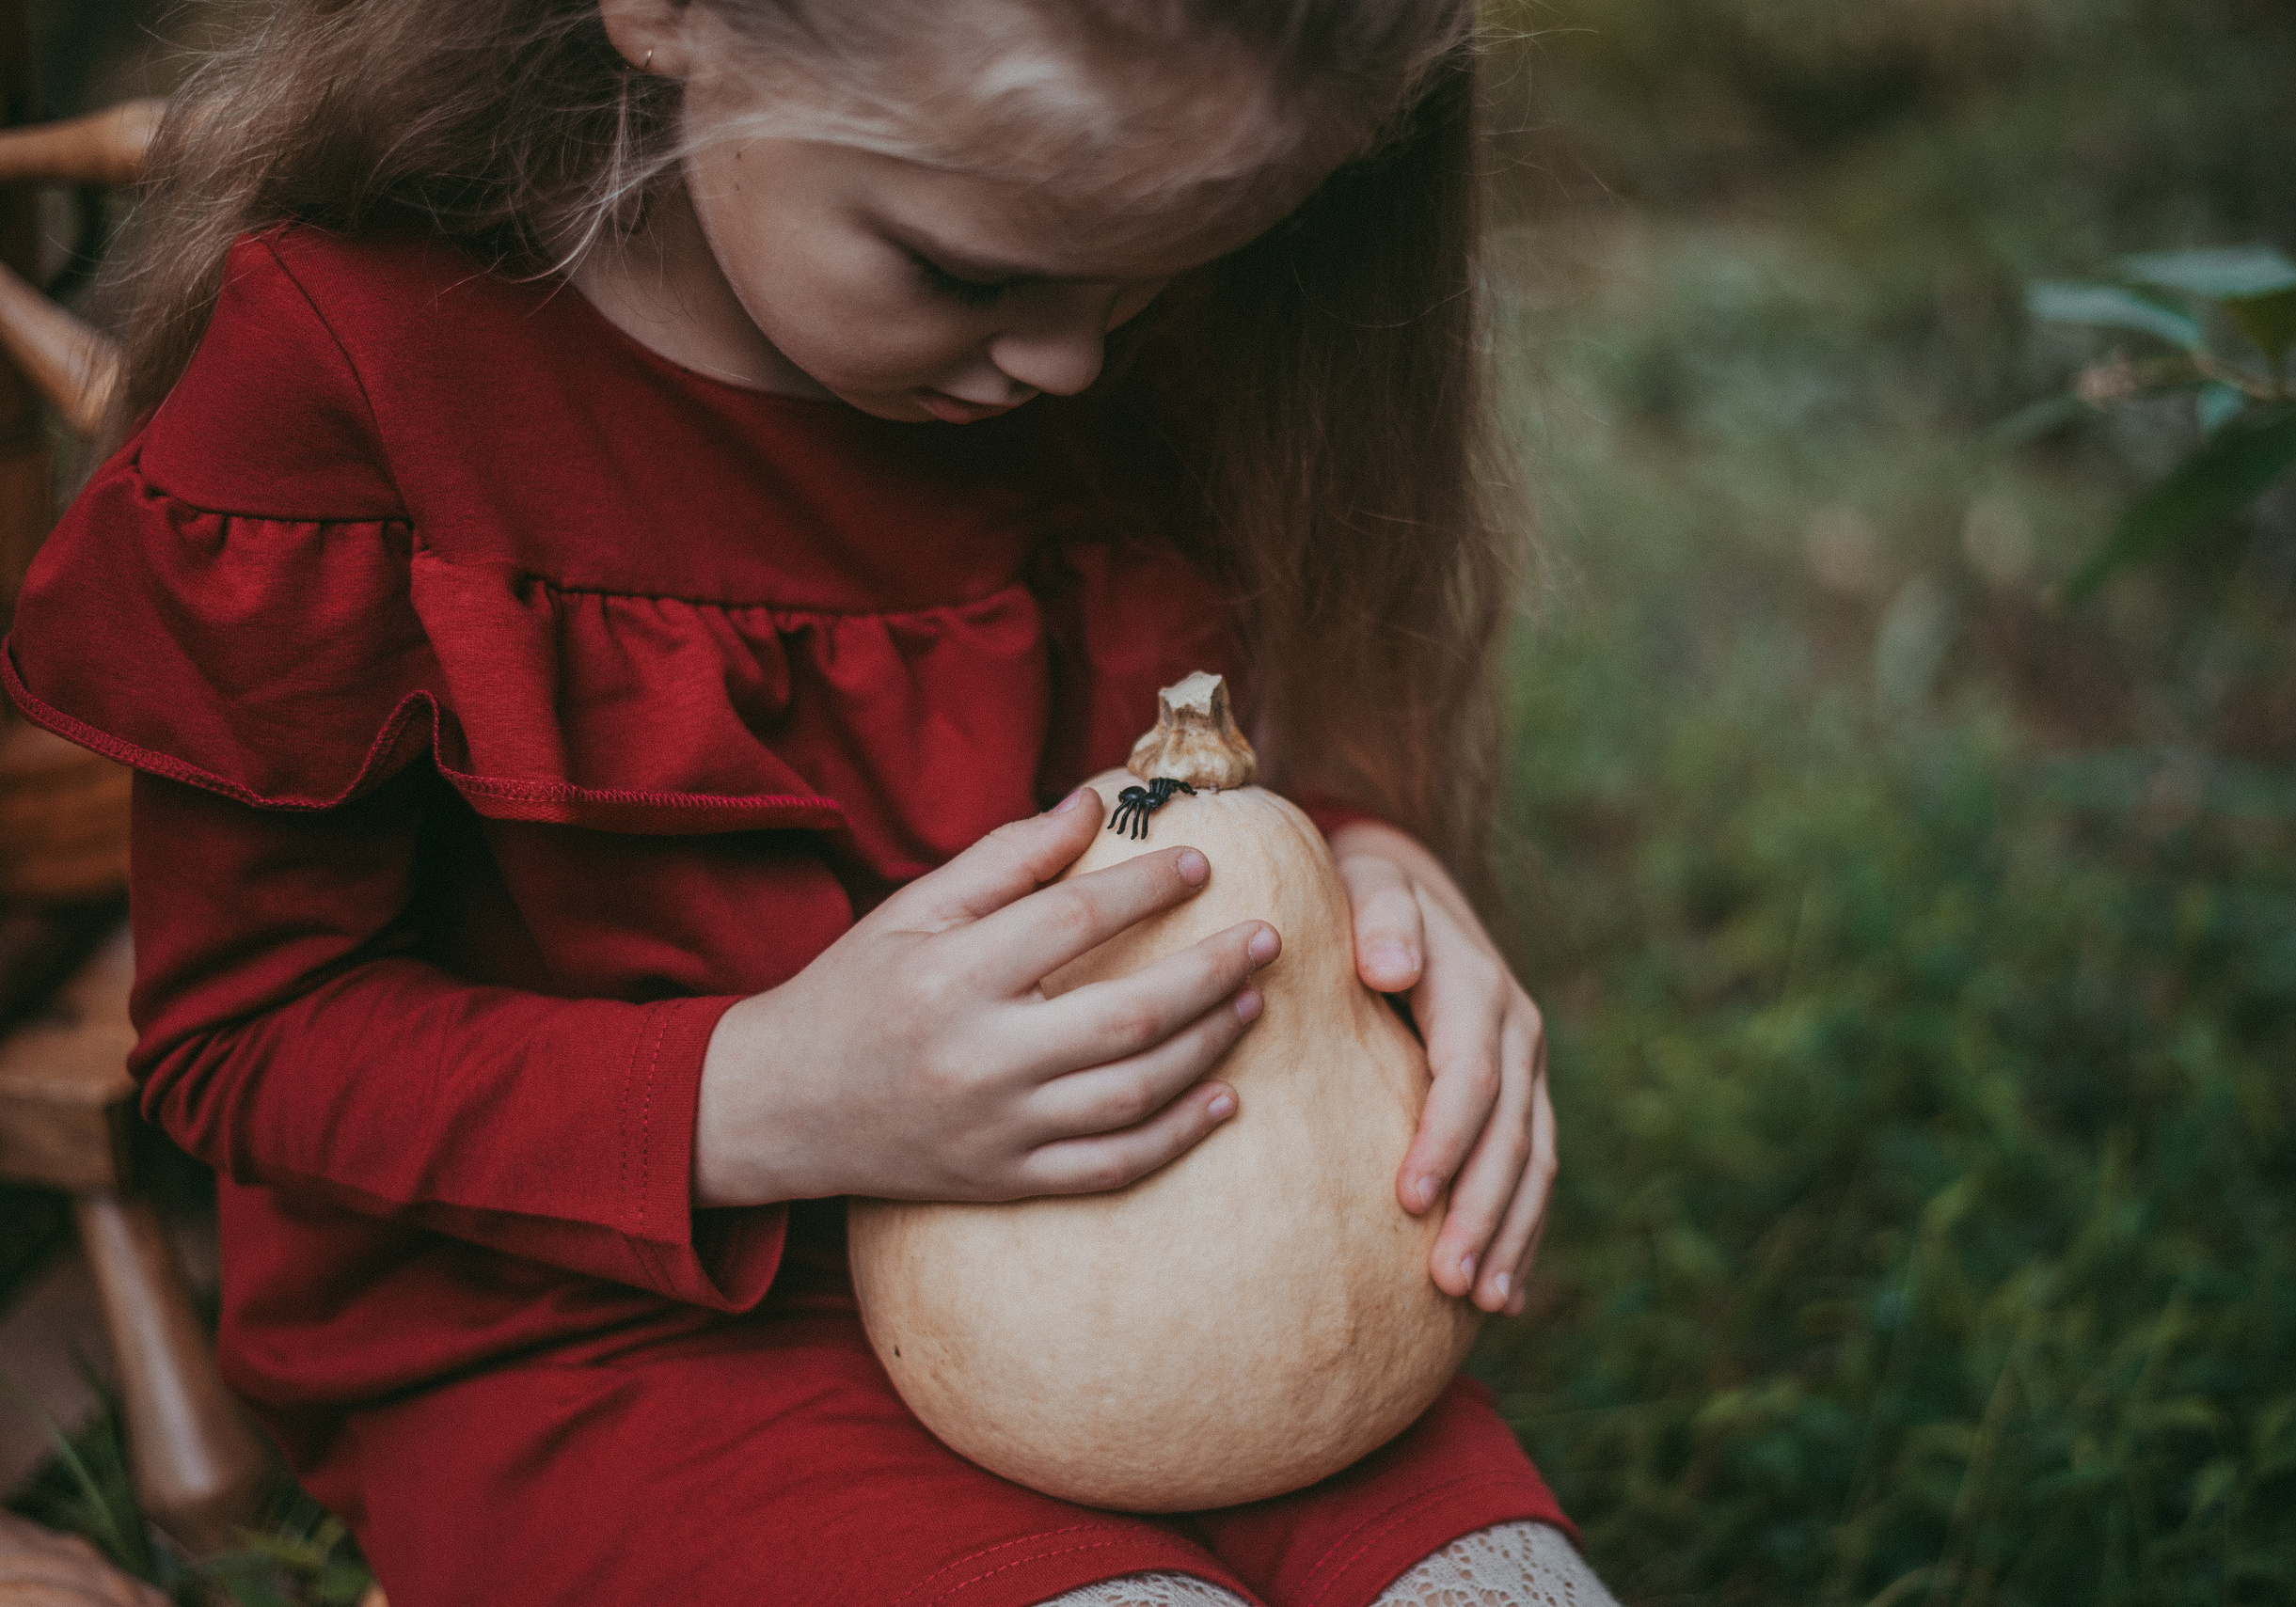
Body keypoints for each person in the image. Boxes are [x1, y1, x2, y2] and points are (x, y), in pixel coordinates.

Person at [4, 2, 1615, 1603]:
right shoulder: (358, 374)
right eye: (965, 274)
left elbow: (1196, 738)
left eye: (1139, 284)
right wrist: (766, 1091)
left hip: (1152, 1242)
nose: (1069, 358)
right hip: (576, 1327)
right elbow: (250, 1043)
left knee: (1500, 1589)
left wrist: (1369, 867)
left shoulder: (1090, 284)